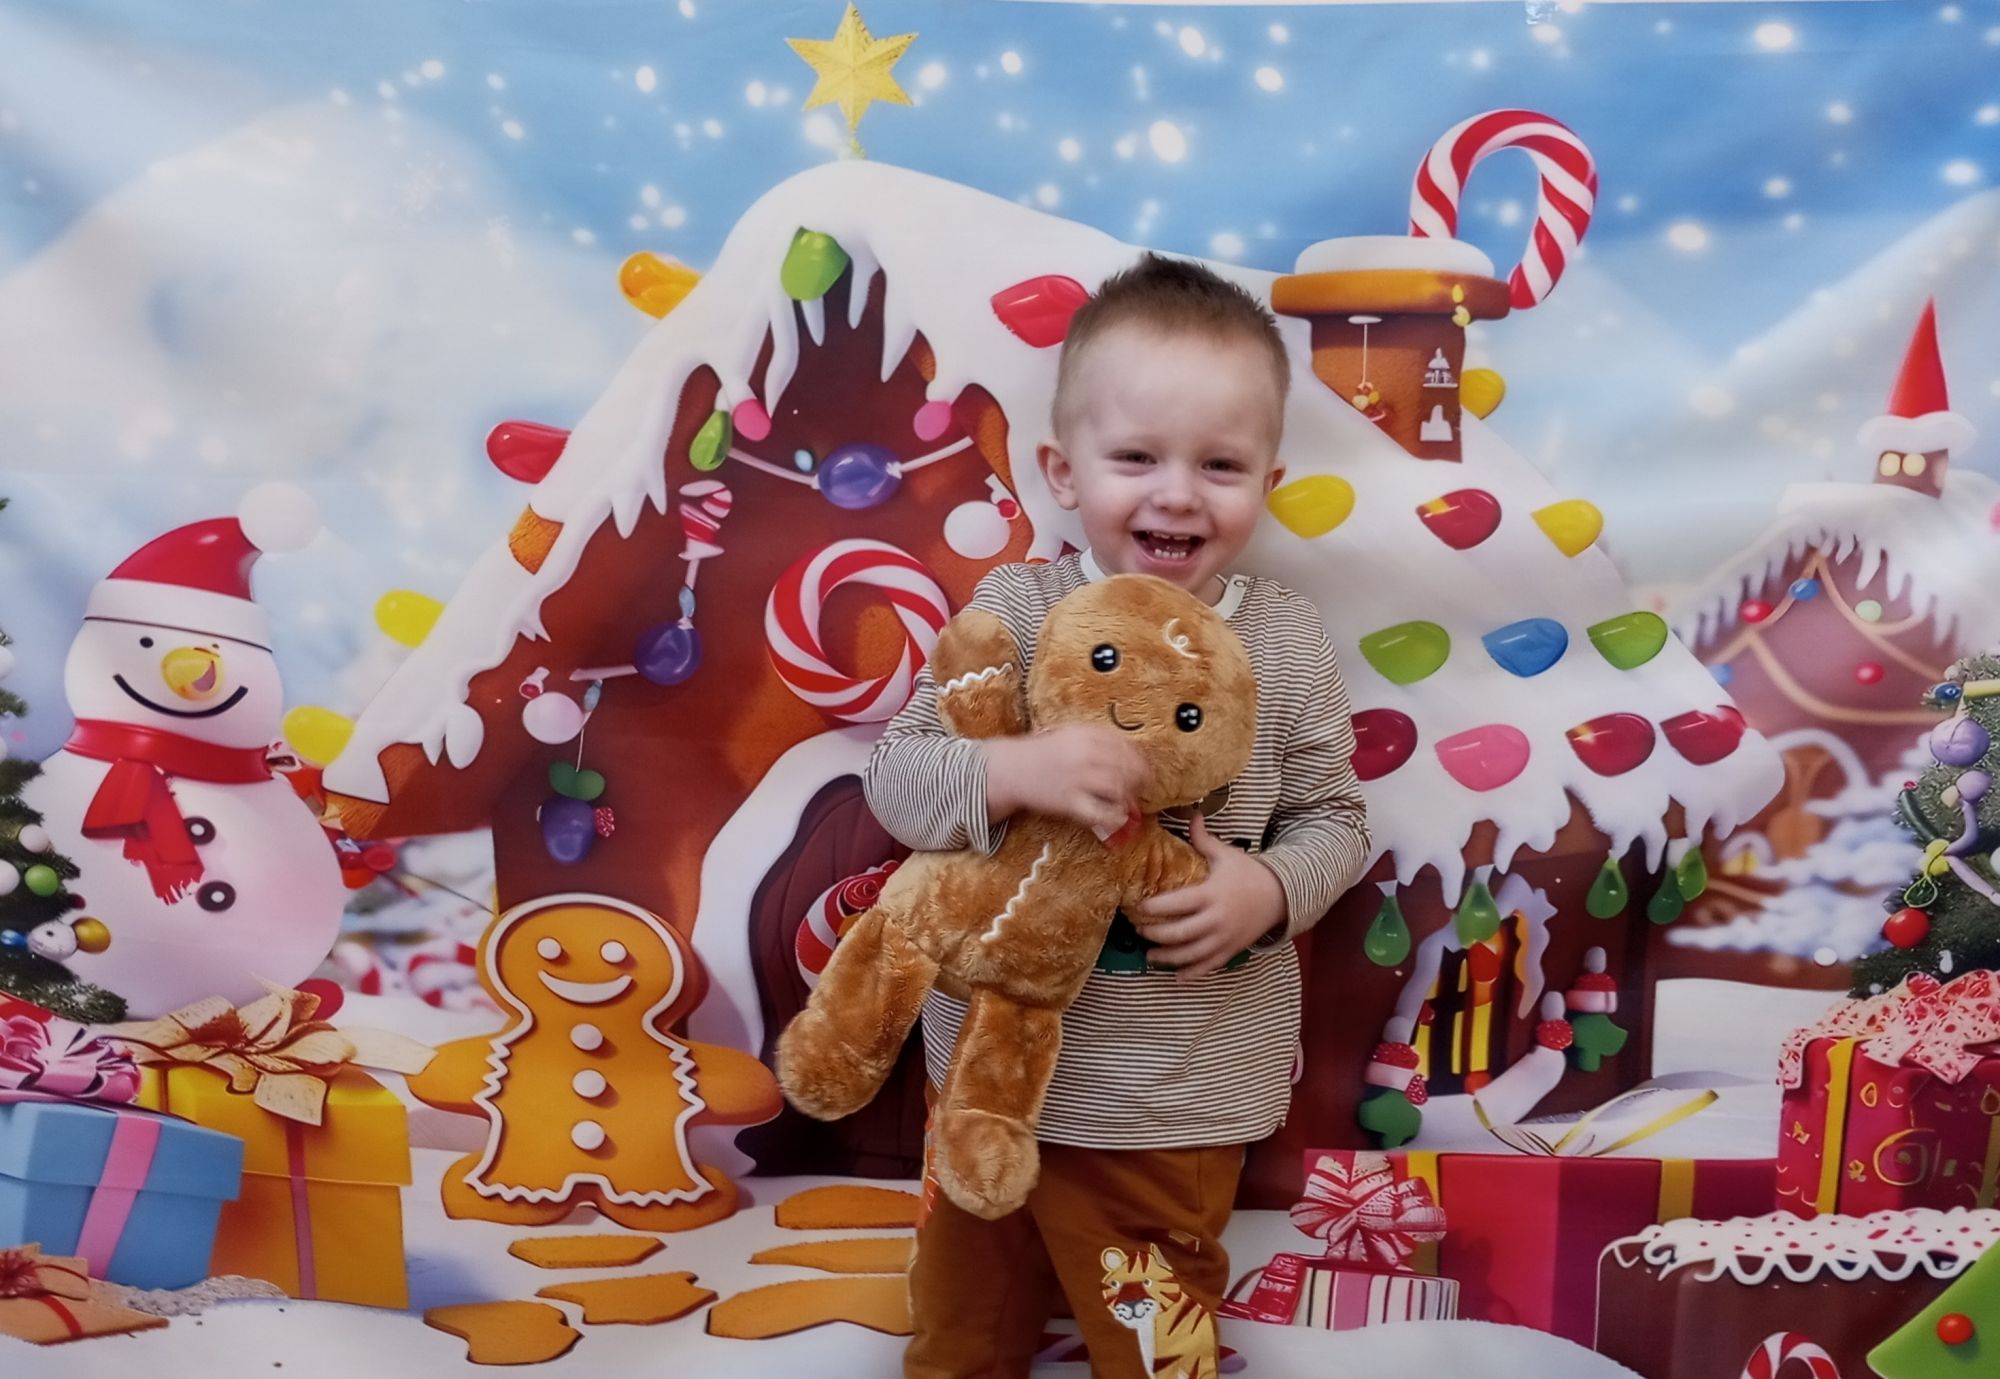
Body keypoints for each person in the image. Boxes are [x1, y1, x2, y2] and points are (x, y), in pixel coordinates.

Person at [867, 252, 1370, 1379]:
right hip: (988, 1085)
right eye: (1136, 456)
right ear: (1062, 470)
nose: (1177, 493)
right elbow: (897, 782)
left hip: (1174, 1097)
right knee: (959, 1331)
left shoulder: (1283, 638)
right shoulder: (1013, 611)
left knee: (1155, 1347)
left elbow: (1335, 815)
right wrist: (1013, 768)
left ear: (1268, 480)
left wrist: (1268, 888)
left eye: (1219, 464)